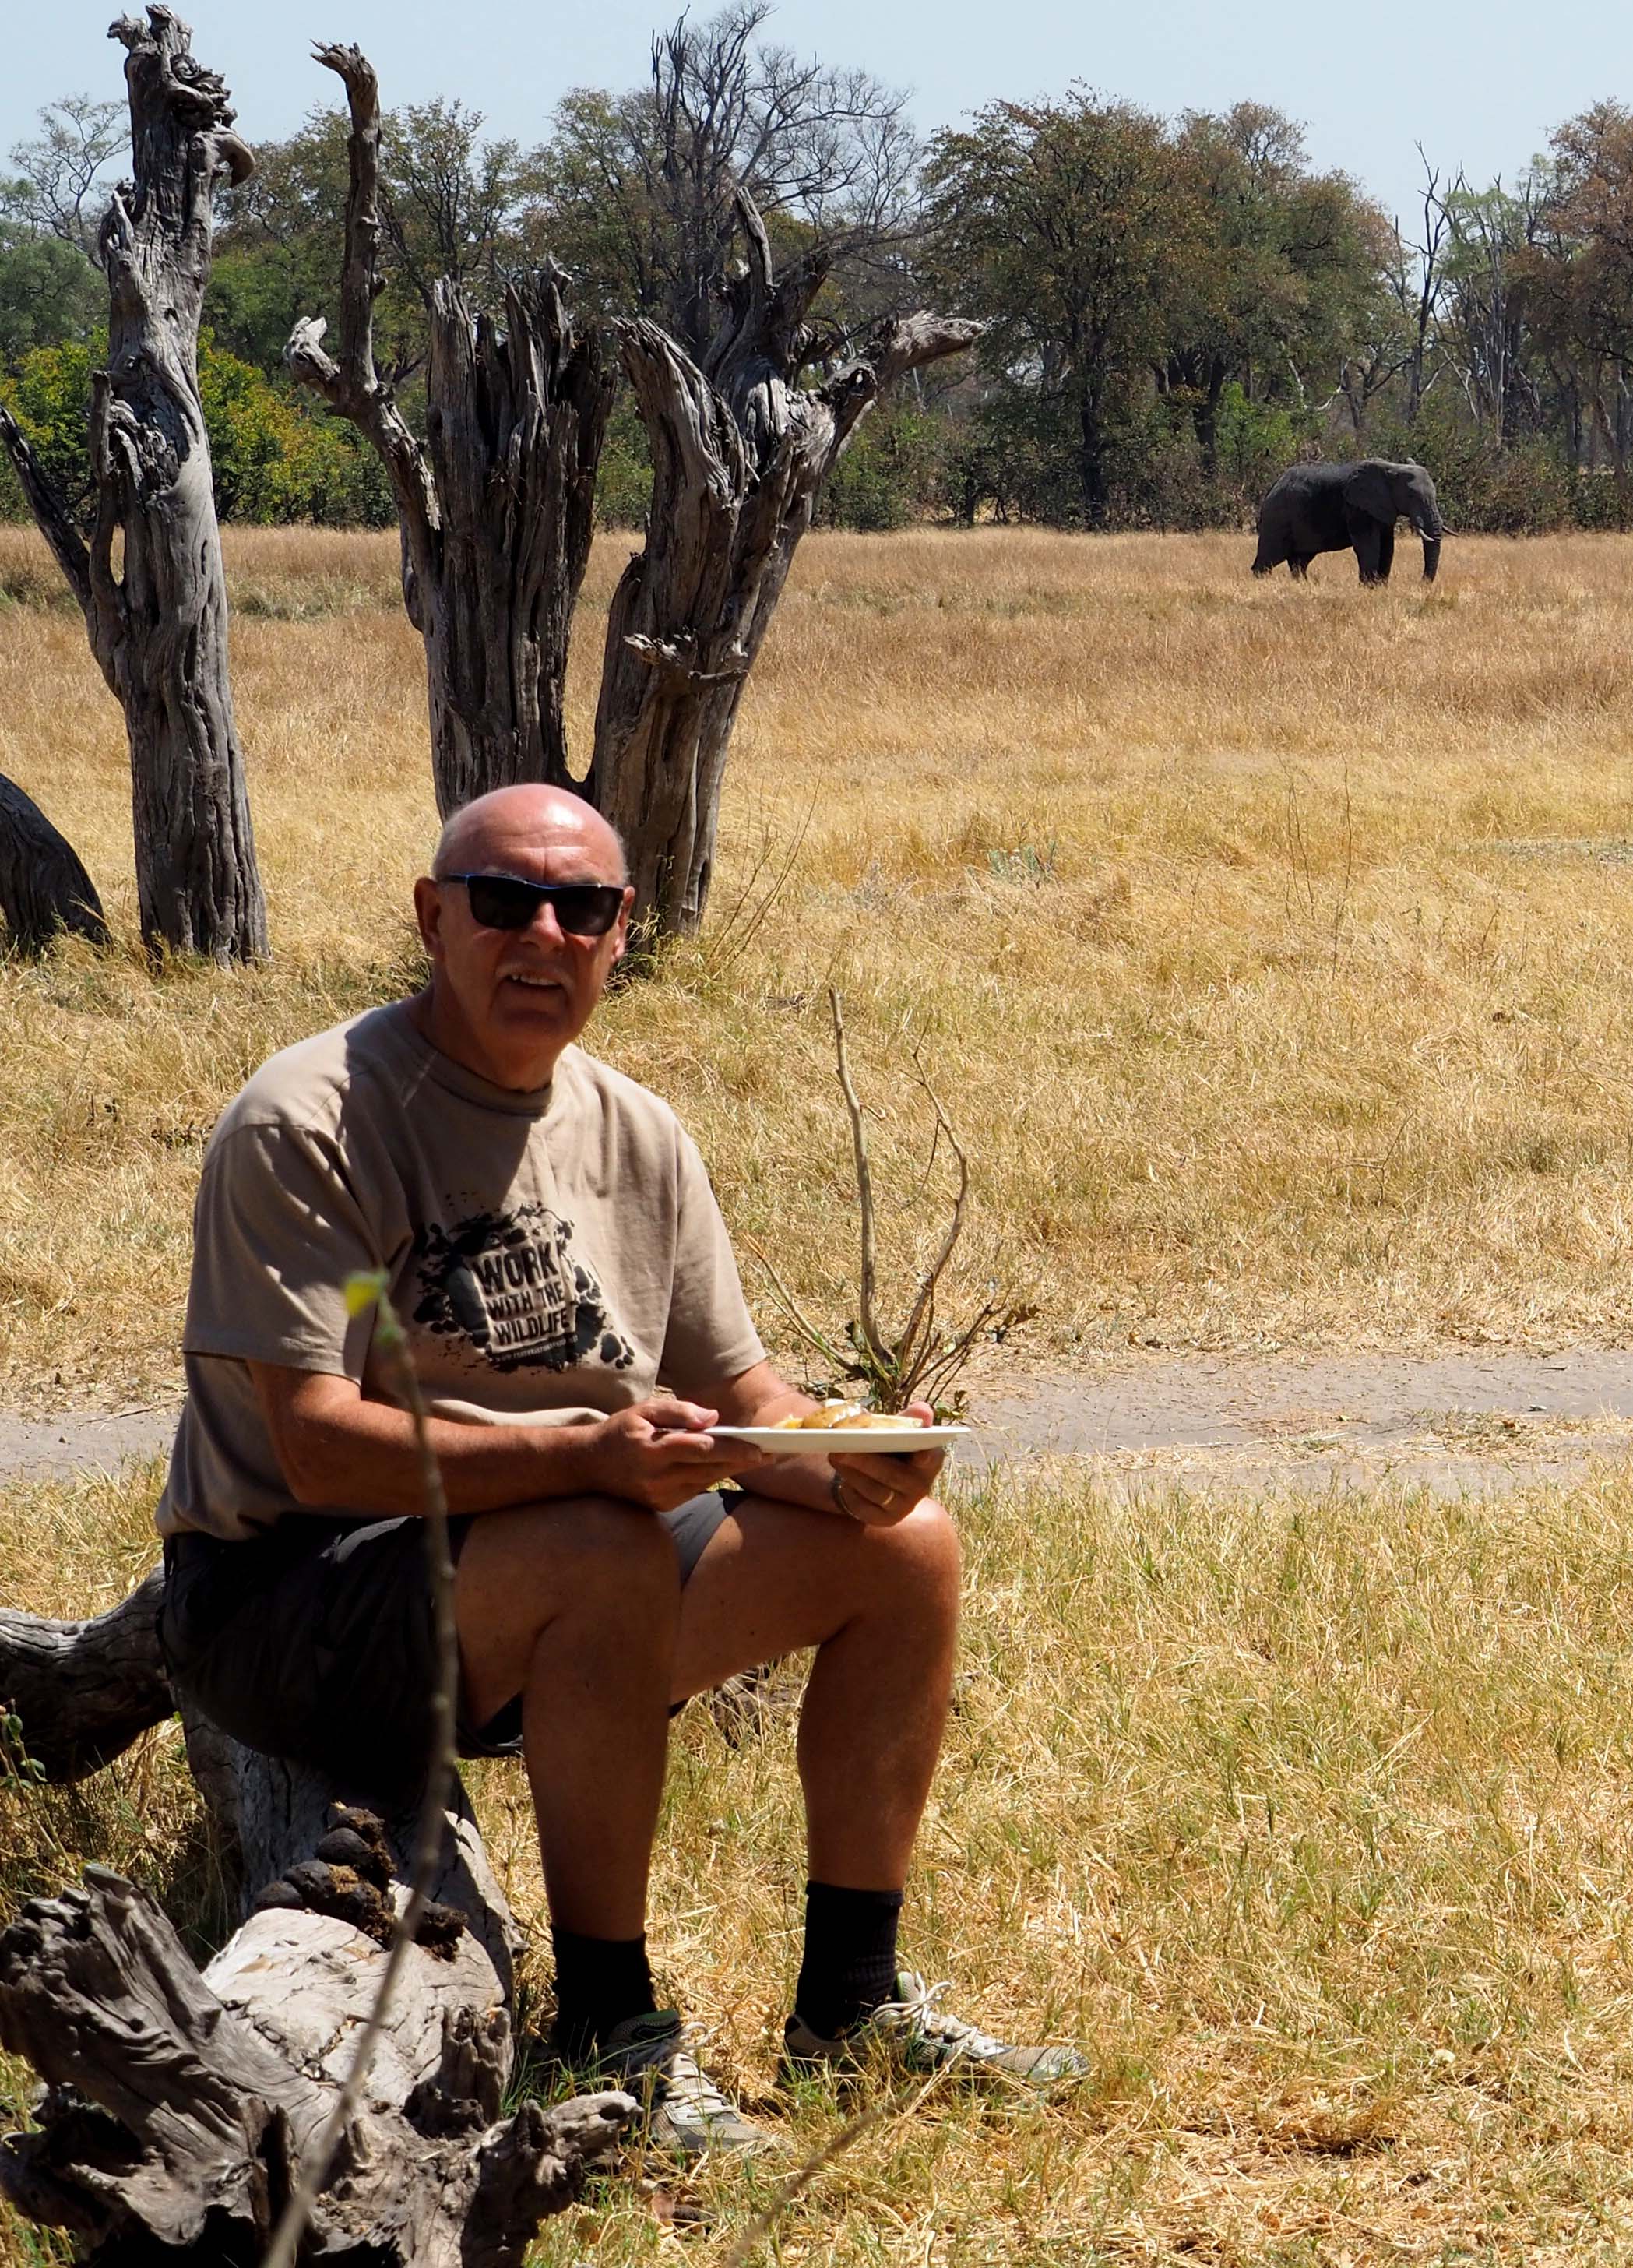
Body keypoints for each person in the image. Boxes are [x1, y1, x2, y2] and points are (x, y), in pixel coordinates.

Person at [153, 784, 1080, 2155]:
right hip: (289, 1603)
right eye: (502, 900)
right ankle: (612, 2031)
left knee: (909, 1554)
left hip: (545, 1582)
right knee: (600, 1543)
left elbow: (739, 1394)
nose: (543, 932)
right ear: (431, 916)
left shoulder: (634, 1131)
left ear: (621, 933)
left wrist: (849, 1464)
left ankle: (852, 2006)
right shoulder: (314, 1119)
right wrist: (582, 1454)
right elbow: (317, 1442)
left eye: (580, 906)